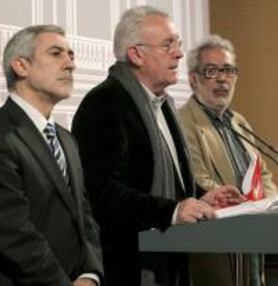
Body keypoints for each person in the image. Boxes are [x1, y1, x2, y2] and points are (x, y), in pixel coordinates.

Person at [71, 5, 244, 286]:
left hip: (171, 265)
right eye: (168, 45)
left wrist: (200, 198)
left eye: (178, 44)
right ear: (136, 53)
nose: (178, 53)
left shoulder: (164, 105)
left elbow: (165, 181)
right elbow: (102, 193)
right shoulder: (103, 105)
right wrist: (172, 211)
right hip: (128, 268)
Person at [0, 25, 103, 286]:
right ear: (21, 66)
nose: (70, 64)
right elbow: (11, 234)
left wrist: (90, 275)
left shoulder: (67, 139)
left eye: (71, 55)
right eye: (56, 53)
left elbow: (86, 221)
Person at [178, 34, 277, 286]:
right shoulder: (183, 122)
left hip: (253, 243)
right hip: (215, 247)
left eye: (229, 70)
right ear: (193, 79)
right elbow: (197, 178)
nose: (222, 78)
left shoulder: (238, 121)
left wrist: (263, 204)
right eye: (211, 71)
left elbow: (263, 173)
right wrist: (243, 205)